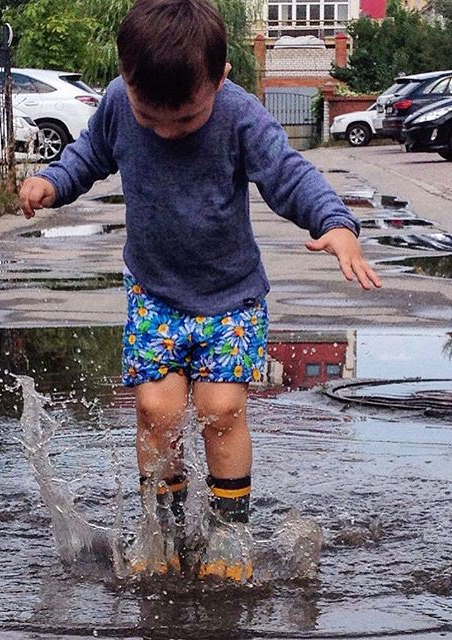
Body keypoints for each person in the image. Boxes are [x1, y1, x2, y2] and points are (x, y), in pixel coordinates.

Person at [19, 0, 381, 581]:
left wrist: (335, 223)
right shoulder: (118, 102)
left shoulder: (239, 115)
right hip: (154, 293)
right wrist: (53, 181)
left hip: (231, 298)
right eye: (149, 117)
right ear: (126, 78)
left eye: (185, 120)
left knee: (221, 409)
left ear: (221, 76)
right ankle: (161, 529)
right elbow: (89, 155)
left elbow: (289, 174)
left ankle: (228, 532)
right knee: (155, 411)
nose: (165, 131)